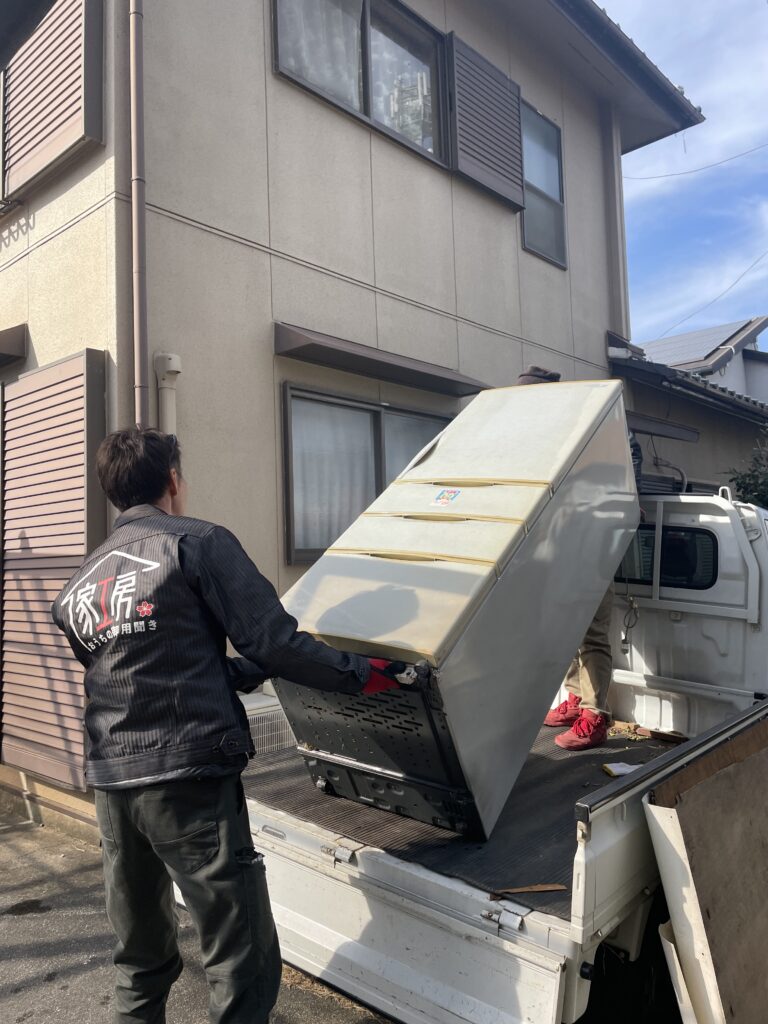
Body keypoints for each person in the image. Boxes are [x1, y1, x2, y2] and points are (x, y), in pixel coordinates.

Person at [51, 429, 402, 1024]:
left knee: (140, 960)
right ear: (172, 481)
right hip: (186, 782)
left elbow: (145, 671)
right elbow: (276, 641)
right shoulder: (197, 542)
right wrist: (364, 674)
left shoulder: (80, 584)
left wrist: (251, 670)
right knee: (240, 961)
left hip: (112, 786)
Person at [515, 366, 643, 750]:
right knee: (565, 629)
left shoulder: (590, 425)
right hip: (557, 543)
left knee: (591, 631)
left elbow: (627, 456)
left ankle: (595, 714)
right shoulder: (538, 436)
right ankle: (575, 697)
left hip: (593, 543)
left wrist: (629, 497)